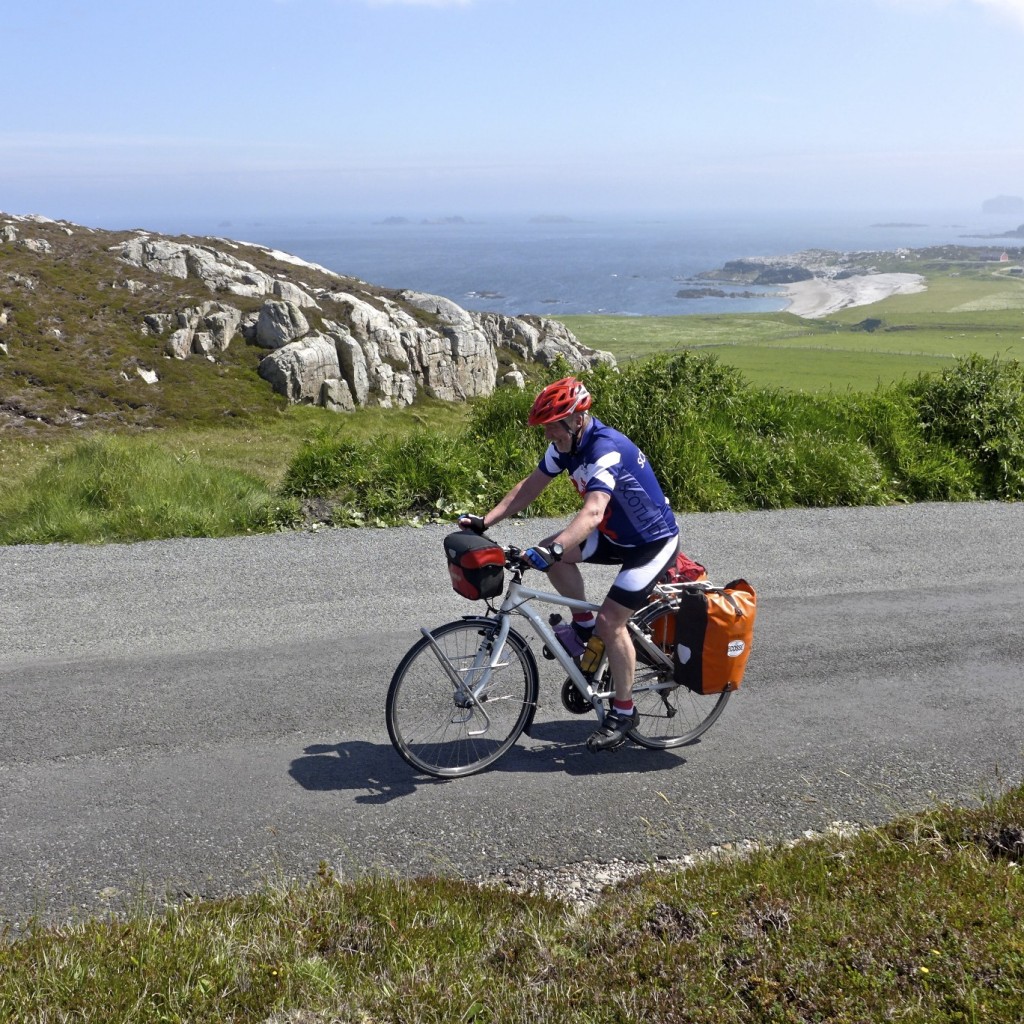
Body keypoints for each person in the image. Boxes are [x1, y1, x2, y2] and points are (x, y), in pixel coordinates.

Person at [459, 376, 680, 752]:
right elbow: (531, 486)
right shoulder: (567, 445)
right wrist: (486, 520)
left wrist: (558, 548)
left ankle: (624, 713)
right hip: (615, 535)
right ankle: (582, 629)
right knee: (549, 555)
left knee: (612, 621)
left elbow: (593, 512)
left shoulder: (605, 449)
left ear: (577, 419)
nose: (549, 436)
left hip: (651, 543)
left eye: (552, 428)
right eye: (545, 429)